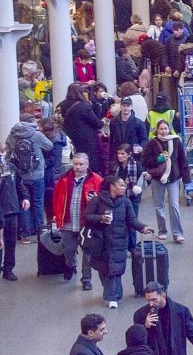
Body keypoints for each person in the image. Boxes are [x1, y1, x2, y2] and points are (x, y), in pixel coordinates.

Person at [85, 175, 153, 308]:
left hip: (119, 242)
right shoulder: (97, 201)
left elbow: (132, 220)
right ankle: (113, 292)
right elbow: (87, 216)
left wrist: (143, 227)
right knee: (104, 269)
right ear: (112, 186)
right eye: (121, 185)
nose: (124, 187)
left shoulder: (126, 202)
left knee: (115, 270)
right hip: (100, 242)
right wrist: (100, 218)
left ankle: (112, 298)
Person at [53, 153, 102, 289]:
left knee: (87, 252)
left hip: (86, 223)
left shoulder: (96, 180)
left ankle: (86, 279)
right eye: (75, 164)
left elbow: (102, 200)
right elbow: (56, 200)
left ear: (87, 165)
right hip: (67, 222)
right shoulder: (63, 180)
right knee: (68, 249)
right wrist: (56, 217)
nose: (78, 167)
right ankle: (71, 265)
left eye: (81, 164)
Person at [6, 112, 52, 241]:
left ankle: (25, 234)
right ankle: (39, 233)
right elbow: (49, 146)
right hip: (37, 174)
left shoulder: (12, 135)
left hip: (20, 175)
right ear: (32, 121)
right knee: (38, 203)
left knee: (24, 203)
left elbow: (8, 153)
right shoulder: (36, 135)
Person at [142, 120, 190, 243]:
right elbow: (145, 161)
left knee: (174, 205)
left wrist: (186, 178)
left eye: (165, 128)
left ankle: (177, 233)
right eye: (161, 129)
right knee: (159, 206)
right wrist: (158, 159)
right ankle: (162, 231)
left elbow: (182, 159)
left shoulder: (176, 140)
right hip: (157, 178)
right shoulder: (152, 143)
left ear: (169, 129)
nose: (163, 131)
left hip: (173, 177)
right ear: (157, 130)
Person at [134, 281, 193, 355]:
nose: (151, 304)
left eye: (154, 299)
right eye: (148, 300)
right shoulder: (140, 315)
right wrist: (145, 327)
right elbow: (137, 341)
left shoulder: (181, 311)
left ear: (163, 295)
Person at [0, 142, 29, 281]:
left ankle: (8, 269)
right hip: (2, 209)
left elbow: (19, 184)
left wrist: (25, 197)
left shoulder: (11, 168)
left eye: (2, 152)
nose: (1, 155)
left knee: (11, 242)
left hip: (12, 209)